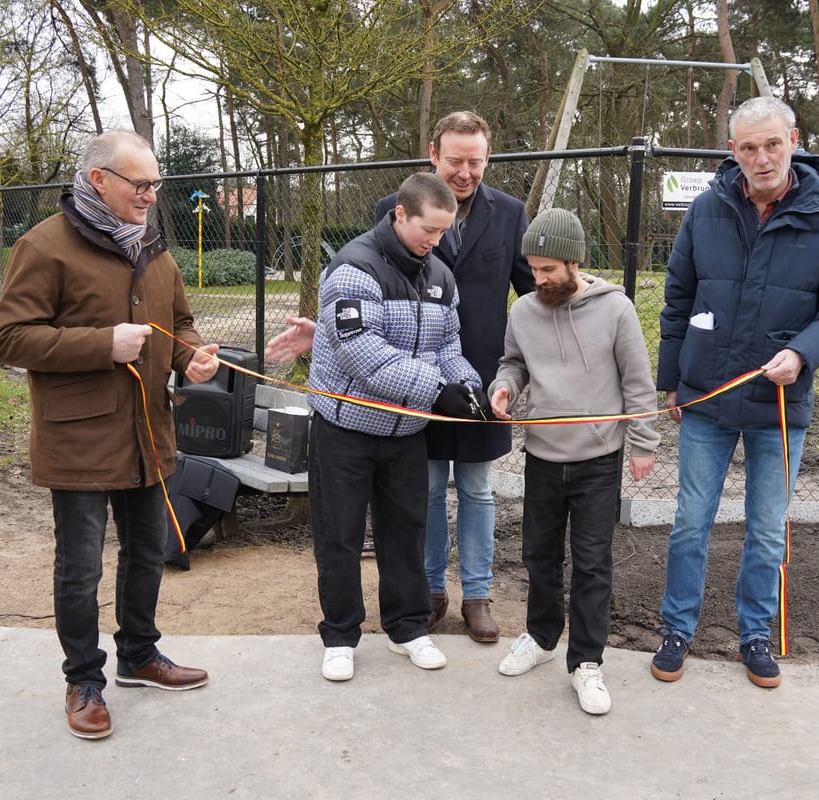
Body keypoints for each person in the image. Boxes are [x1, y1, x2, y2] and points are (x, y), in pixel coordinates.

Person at [0, 130, 220, 740]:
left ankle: (140, 657)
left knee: (149, 553)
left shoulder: (155, 248)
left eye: (155, 184)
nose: (151, 195)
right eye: (139, 184)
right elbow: (8, 340)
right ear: (99, 180)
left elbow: (181, 325)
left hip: (149, 433)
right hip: (79, 440)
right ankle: (83, 680)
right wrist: (102, 345)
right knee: (80, 566)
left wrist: (190, 358)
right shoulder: (43, 246)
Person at [269, 111, 533, 643]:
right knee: (424, 495)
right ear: (432, 155)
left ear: (488, 160)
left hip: (474, 380)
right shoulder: (386, 222)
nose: (464, 172)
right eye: (455, 161)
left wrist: (517, 367)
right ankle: (428, 592)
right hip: (408, 396)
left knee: (479, 490)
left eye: (475, 162)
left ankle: (476, 595)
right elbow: (368, 326)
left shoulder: (510, 213)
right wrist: (326, 332)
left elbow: (532, 290)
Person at [651, 96, 819, 689]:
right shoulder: (706, 212)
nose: (761, 157)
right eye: (748, 147)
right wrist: (670, 380)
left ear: (793, 140)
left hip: (780, 406)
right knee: (691, 520)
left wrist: (802, 352)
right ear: (733, 152)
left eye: (772, 143)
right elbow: (678, 301)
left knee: (768, 529)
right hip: (707, 398)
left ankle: (754, 635)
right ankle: (678, 629)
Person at [307, 171, 485, 682]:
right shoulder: (352, 269)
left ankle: (407, 628)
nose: (436, 242)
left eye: (443, 233)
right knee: (339, 535)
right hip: (345, 428)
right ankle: (340, 635)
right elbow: (366, 356)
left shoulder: (440, 275)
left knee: (405, 532)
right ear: (400, 214)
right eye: (428, 231)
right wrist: (437, 392)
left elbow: (448, 346)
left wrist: (468, 387)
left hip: (405, 432)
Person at [488, 208, 660, 716]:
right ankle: (541, 638)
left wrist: (645, 443)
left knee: (591, 563)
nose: (536, 279)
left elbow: (637, 380)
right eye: (532, 269)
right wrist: (503, 388)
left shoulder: (617, 310)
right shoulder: (523, 312)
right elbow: (513, 363)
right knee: (539, 556)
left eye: (546, 269)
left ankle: (586, 662)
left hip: (599, 460)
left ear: (574, 261)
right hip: (541, 456)